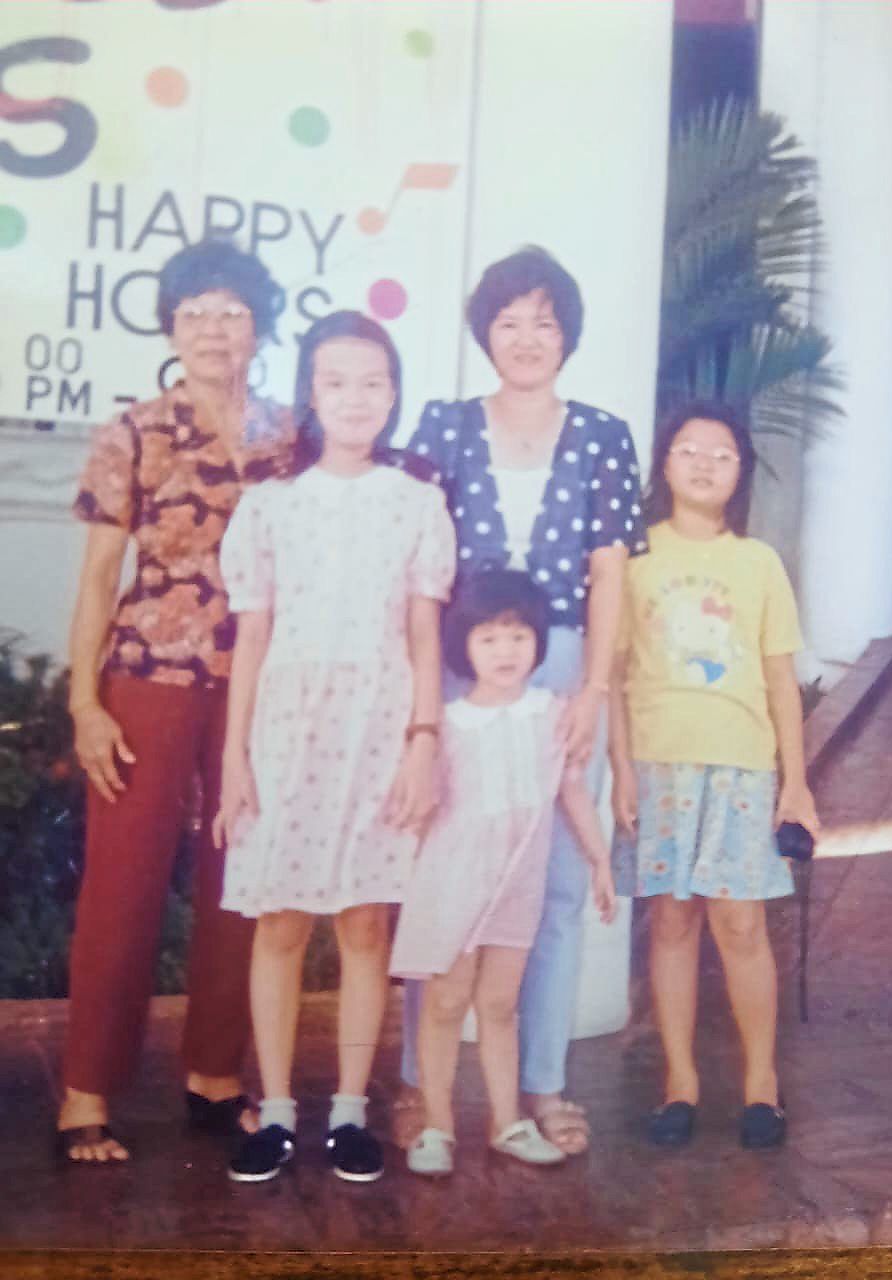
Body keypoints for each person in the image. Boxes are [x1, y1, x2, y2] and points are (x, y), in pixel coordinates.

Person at [394, 246, 646, 1155]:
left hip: (567, 660)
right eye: (509, 321)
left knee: (560, 882)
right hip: (463, 662)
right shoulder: (444, 425)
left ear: (567, 333)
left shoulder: (604, 434)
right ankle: (423, 1086)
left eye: (545, 321)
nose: (528, 338)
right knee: (442, 873)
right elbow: (420, 565)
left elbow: (609, 571)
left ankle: (542, 1081)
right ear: (485, 333)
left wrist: (593, 688)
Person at [56, 239, 293, 1165]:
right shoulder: (133, 432)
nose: (211, 329)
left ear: (258, 328)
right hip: (147, 683)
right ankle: (85, 1091)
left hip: (264, 690)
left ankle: (215, 1076)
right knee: (122, 887)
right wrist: (85, 701)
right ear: (169, 326)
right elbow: (96, 580)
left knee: (242, 884)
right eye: (194, 312)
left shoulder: (291, 434)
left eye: (231, 313)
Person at [215, 311, 456, 1185]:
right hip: (287, 733)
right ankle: (275, 1110)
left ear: (394, 395)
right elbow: (250, 640)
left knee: (363, 926)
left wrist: (423, 742)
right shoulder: (269, 506)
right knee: (279, 925)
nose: (355, 399)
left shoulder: (418, 504)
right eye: (335, 381)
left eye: (372, 382)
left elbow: (426, 638)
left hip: (378, 733)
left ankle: (350, 1111)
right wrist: (236, 756)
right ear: (310, 395)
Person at [608, 400, 820, 1150]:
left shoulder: (758, 563)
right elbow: (614, 675)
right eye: (689, 450)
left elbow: (778, 679)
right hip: (659, 764)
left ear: (739, 472)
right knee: (671, 919)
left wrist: (795, 783)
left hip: (741, 766)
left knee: (739, 922)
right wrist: (620, 772)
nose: (703, 463)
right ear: (664, 464)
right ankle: (680, 1084)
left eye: (722, 453)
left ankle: (761, 1084)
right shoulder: (634, 559)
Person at [391, 570, 617, 1177]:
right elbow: (419, 811)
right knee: (445, 1003)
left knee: (499, 1004)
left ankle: (506, 1121)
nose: (505, 651)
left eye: (517, 636)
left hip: (518, 881)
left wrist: (599, 860)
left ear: (538, 643)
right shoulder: (448, 722)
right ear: (464, 645)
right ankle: (436, 1125)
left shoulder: (553, 714)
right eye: (489, 638)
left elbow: (572, 793)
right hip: (455, 882)